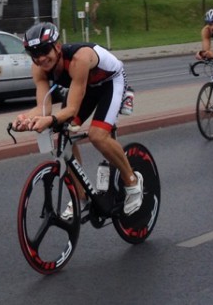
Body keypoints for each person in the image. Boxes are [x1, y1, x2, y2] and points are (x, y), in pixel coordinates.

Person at [11, 22, 143, 218]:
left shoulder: (79, 58)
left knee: (97, 135)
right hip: (86, 87)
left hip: (110, 83)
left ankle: (132, 182)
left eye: (45, 50)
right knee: (63, 136)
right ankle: (80, 199)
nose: (40, 58)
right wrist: (24, 118)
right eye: (34, 54)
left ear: (57, 46)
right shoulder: (39, 68)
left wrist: (49, 120)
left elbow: (72, 109)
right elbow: (44, 107)